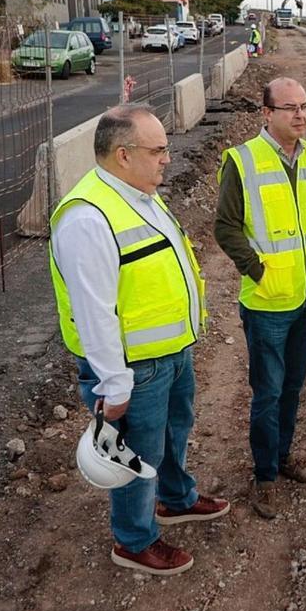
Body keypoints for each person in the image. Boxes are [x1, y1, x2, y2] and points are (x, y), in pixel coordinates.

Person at [50, 104, 229, 576]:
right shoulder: (88, 218)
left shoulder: (139, 195)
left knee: (174, 432)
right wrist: (114, 384)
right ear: (124, 155)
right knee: (138, 455)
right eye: (158, 150)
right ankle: (134, 540)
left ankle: (176, 498)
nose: (168, 158)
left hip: (170, 353)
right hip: (134, 368)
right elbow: (94, 313)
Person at [215, 78, 306, 520]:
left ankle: (282, 457)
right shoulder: (242, 160)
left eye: (305, 107)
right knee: (268, 392)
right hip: (266, 302)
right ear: (267, 113)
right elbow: (225, 227)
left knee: (293, 386)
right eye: (290, 108)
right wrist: (257, 269)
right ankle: (264, 476)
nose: (300, 115)